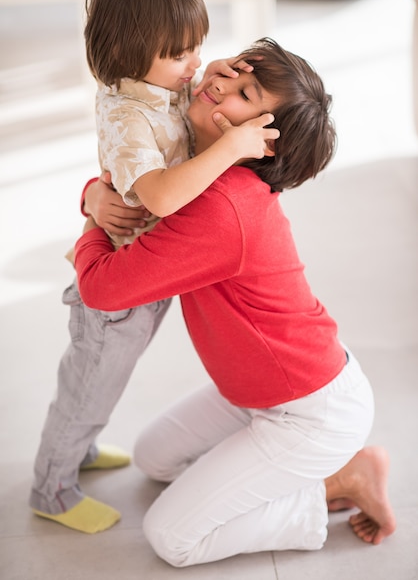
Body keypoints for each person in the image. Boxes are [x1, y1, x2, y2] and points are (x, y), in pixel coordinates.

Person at [75, 38, 396, 567]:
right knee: (154, 459)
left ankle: (337, 479)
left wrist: (92, 216)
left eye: (245, 93)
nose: (218, 83)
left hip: (310, 412)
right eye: (236, 71)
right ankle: (295, 469)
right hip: (257, 391)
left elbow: (102, 287)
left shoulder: (224, 208)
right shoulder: (195, 165)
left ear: (259, 140)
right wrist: (94, 193)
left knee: (172, 539)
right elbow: (135, 183)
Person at [29, 0, 277, 535]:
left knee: (101, 383)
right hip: (118, 287)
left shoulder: (164, 83)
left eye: (198, 48)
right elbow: (162, 197)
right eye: (181, 53)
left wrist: (215, 70)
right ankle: (52, 488)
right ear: (128, 50)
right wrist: (233, 145)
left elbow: (200, 88)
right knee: (88, 386)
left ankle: (80, 449)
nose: (197, 65)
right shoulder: (127, 114)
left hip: (146, 276)